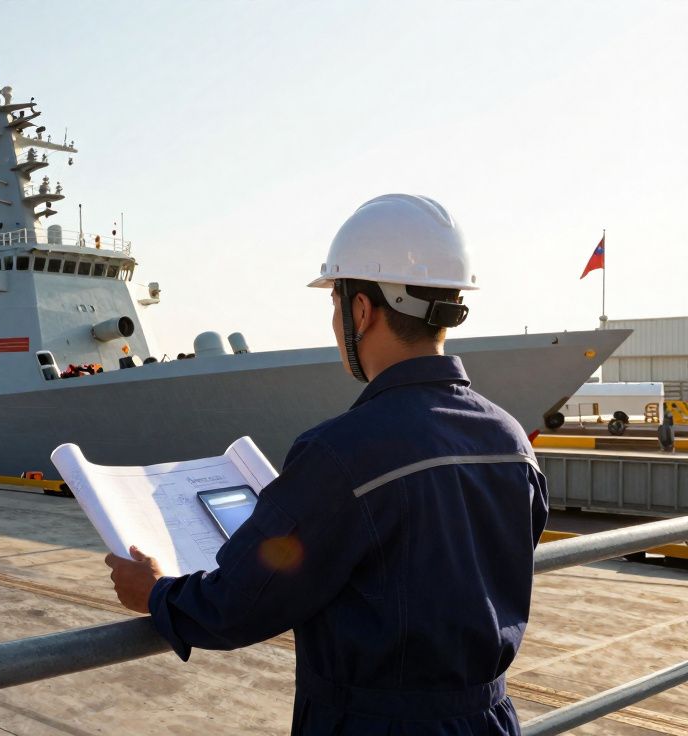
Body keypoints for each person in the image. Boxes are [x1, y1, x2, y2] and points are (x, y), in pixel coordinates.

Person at [106, 194, 548, 735]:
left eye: (336, 305)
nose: (336, 324)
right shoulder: (510, 441)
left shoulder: (340, 452)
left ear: (361, 309)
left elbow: (239, 604)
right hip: (488, 720)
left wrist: (154, 591)